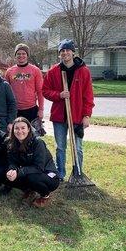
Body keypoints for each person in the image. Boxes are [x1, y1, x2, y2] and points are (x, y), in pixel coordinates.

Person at [42, 39, 94, 181]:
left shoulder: (83, 71)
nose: (65, 53)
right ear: (59, 54)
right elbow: (45, 91)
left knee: (77, 148)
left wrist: (87, 115)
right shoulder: (54, 71)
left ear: (73, 52)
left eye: (67, 50)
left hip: (77, 116)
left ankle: (78, 173)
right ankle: (61, 173)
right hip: (59, 117)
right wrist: (59, 95)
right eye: (62, 51)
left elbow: (88, 95)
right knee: (60, 147)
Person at [5, 117, 60, 207]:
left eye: (23, 128)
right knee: (7, 175)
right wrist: (11, 170)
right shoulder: (12, 143)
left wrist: (19, 172)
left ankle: (45, 195)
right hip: (30, 172)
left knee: (32, 177)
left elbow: (39, 167)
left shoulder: (38, 143)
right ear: (13, 130)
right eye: (17, 128)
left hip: (49, 175)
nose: (20, 131)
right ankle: (30, 190)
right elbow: (12, 162)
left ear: (29, 129)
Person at [5, 43, 44, 122]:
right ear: (15, 55)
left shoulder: (35, 70)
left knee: (32, 134)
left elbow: (40, 91)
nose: (21, 56)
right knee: (15, 133)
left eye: (24, 53)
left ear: (27, 55)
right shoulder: (9, 71)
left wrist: (41, 110)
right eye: (18, 54)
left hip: (31, 109)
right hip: (14, 109)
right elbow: (6, 92)